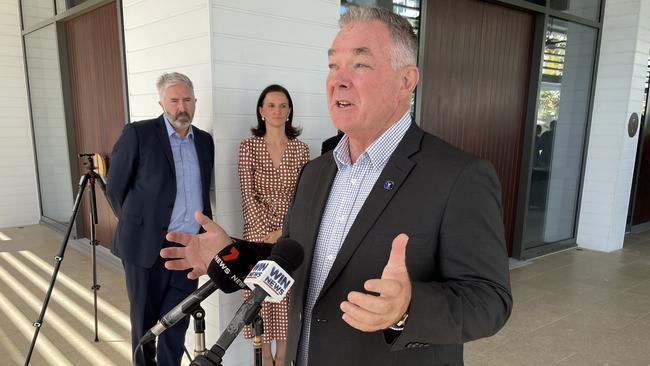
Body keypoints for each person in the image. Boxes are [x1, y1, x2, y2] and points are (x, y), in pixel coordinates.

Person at [161, 6, 511, 366]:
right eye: (332, 66)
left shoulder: (459, 175)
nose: (338, 80)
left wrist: (407, 308)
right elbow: (294, 258)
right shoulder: (315, 172)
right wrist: (233, 252)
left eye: (360, 64)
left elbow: (491, 301)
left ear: (406, 81)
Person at [107, 72, 214, 366]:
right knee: (144, 327)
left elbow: (203, 193)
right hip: (145, 251)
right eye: (175, 100)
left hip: (187, 251)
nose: (182, 107)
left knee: (176, 326)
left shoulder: (204, 142)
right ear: (162, 103)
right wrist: (139, 226)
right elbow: (115, 189)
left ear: (195, 101)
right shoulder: (138, 134)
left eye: (187, 100)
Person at [239, 84, 310, 366]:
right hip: (256, 236)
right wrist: (265, 235)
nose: (277, 111)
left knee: (285, 298)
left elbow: (303, 197)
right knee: (261, 299)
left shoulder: (301, 150)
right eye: (271, 105)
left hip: (289, 233)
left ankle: (282, 358)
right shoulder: (248, 147)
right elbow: (247, 193)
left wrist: (282, 232)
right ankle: (264, 358)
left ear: (290, 111)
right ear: (261, 111)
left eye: (283, 106)